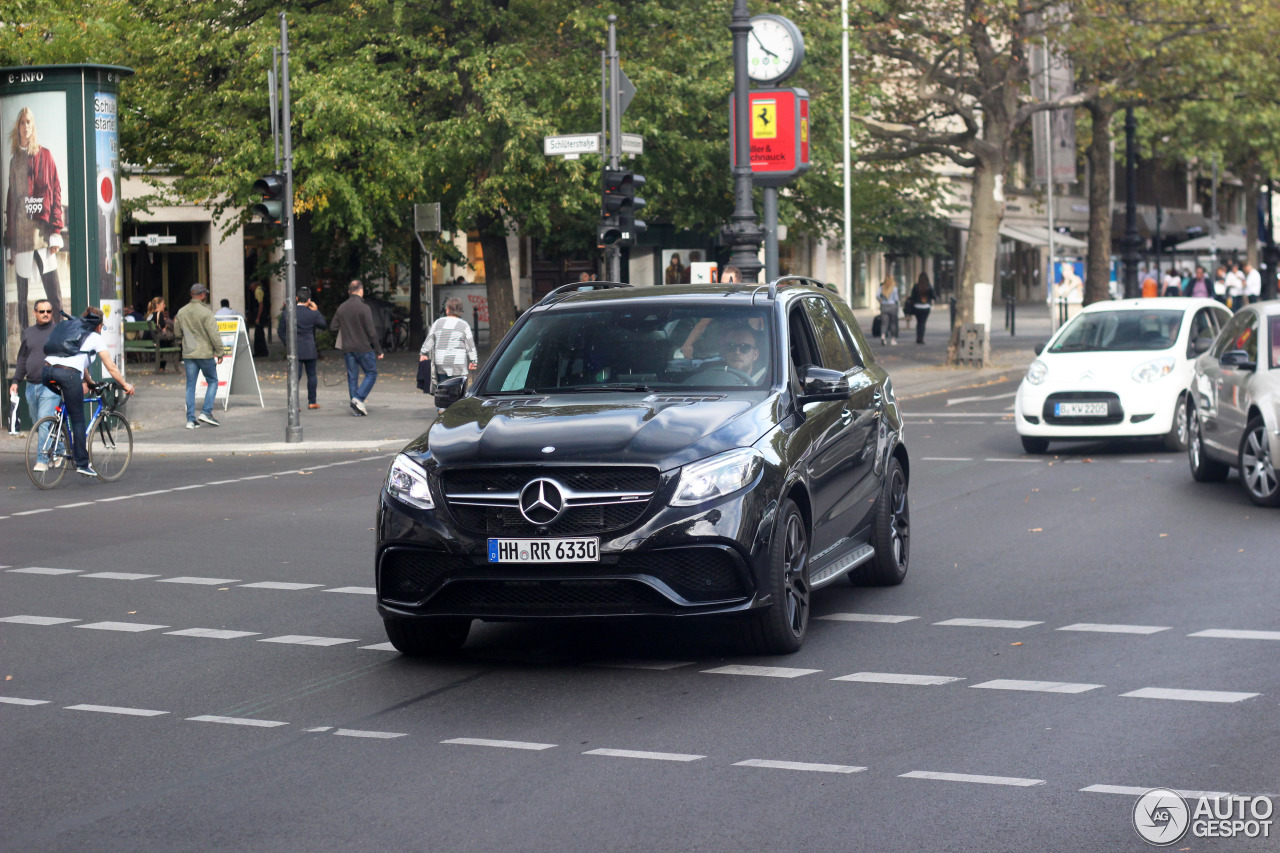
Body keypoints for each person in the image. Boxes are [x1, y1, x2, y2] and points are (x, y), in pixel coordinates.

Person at [40, 306, 135, 477]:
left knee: (68, 404)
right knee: (78, 419)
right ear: (99, 325)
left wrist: (89, 382)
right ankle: (82, 464)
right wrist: (125, 384)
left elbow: (79, 361)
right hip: (68, 375)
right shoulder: (94, 337)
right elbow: (111, 367)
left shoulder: (72, 332)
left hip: (46, 372)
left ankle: (60, 431)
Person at [4, 107, 64, 328]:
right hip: (21, 237)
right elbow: (11, 203)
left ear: (33, 125)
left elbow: (56, 190)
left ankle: (61, 338)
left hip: (42, 235)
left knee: (54, 293)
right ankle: (24, 343)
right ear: (18, 127)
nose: (26, 126)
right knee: (22, 298)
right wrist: (11, 241)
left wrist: (56, 231)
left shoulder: (45, 155)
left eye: (29, 122)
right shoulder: (14, 161)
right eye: (22, 122)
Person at [8, 299, 60, 467]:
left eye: (48, 311)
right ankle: (59, 449)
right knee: (38, 421)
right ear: (35, 313)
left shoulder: (57, 331)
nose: (45, 314)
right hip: (31, 385)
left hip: (51, 385)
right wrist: (16, 380)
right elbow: (22, 358)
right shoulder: (29, 332)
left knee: (44, 422)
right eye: (42, 311)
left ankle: (42, 460)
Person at [173, 283, 226, 429]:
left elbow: (177, 333)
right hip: (204, 353)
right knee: (213, 381)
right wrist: (220, 352)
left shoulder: (182, 312)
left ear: (191, 294)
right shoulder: (206, 312)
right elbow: (213, 334)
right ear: (202, 295)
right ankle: (206, 412)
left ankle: (190, 419)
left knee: (190, 386)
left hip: (189, 353)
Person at [331, 279, 383, 415]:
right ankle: (358, 398)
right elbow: (371, 331)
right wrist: (378, 350)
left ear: (349, 292)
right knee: (371, 373)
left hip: (348, 347)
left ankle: (356, 409)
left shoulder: (342, 308)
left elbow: (333, 327)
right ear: (361, 291)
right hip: (363, 347)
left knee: (352, 377)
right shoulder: (364, 308)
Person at [278, 286, 327, 409]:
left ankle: (294, 404)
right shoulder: (312, 314)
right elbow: (323, 325)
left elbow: (281, 331)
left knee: (295, 377)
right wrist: (316, 311)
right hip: (309, 348)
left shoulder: (288, 313)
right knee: (312, 375)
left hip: (295, 349)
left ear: (296, 298)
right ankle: (312, 401)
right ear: (309, 300)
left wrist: (287, 344)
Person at [420, 296, 478, 387]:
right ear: (460, 311)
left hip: (441, 362)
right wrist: (473, 361)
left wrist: (423, 353)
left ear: (447, 310)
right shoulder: (463, 325)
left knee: (443, 390)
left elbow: (429, 340)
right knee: (458, 391)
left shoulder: (438, 323)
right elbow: (470, 346)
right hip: (458, 364)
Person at [144, 295, 176, 373]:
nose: (164, 306)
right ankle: (161, 367)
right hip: (155, 341)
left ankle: (161, 367)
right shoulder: (159, 314)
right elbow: (162, 328)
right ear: (158, 305)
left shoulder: (149, 315)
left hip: (146, 341)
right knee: (169, 343)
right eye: (163, 304)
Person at [909, 272, 936, 344]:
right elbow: (934, 296)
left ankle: (918, 337)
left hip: (917, 307)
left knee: (919, 322)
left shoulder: (916, 286)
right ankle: (921, 338)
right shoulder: (929, 286)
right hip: (926, 307)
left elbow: (912, 297)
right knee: (923, 323)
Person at [877, 277, 899, 345]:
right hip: (892, 306)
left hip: (884, 306)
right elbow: (896, 299)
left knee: (884, 323)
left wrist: (880, 300)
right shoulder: (894, 288)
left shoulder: (882, 288)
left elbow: (877, 295)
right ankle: (893, 339)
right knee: (893, 323)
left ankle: (883, 337)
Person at [252, 280, 270, 357]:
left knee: (258, 334)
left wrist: (258, 317)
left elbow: (260, 304)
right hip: (262, 315)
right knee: (260, 333)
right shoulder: (261, 290)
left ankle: (261, 352)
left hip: (260, 316)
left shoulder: (258, 291)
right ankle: (262, 351)